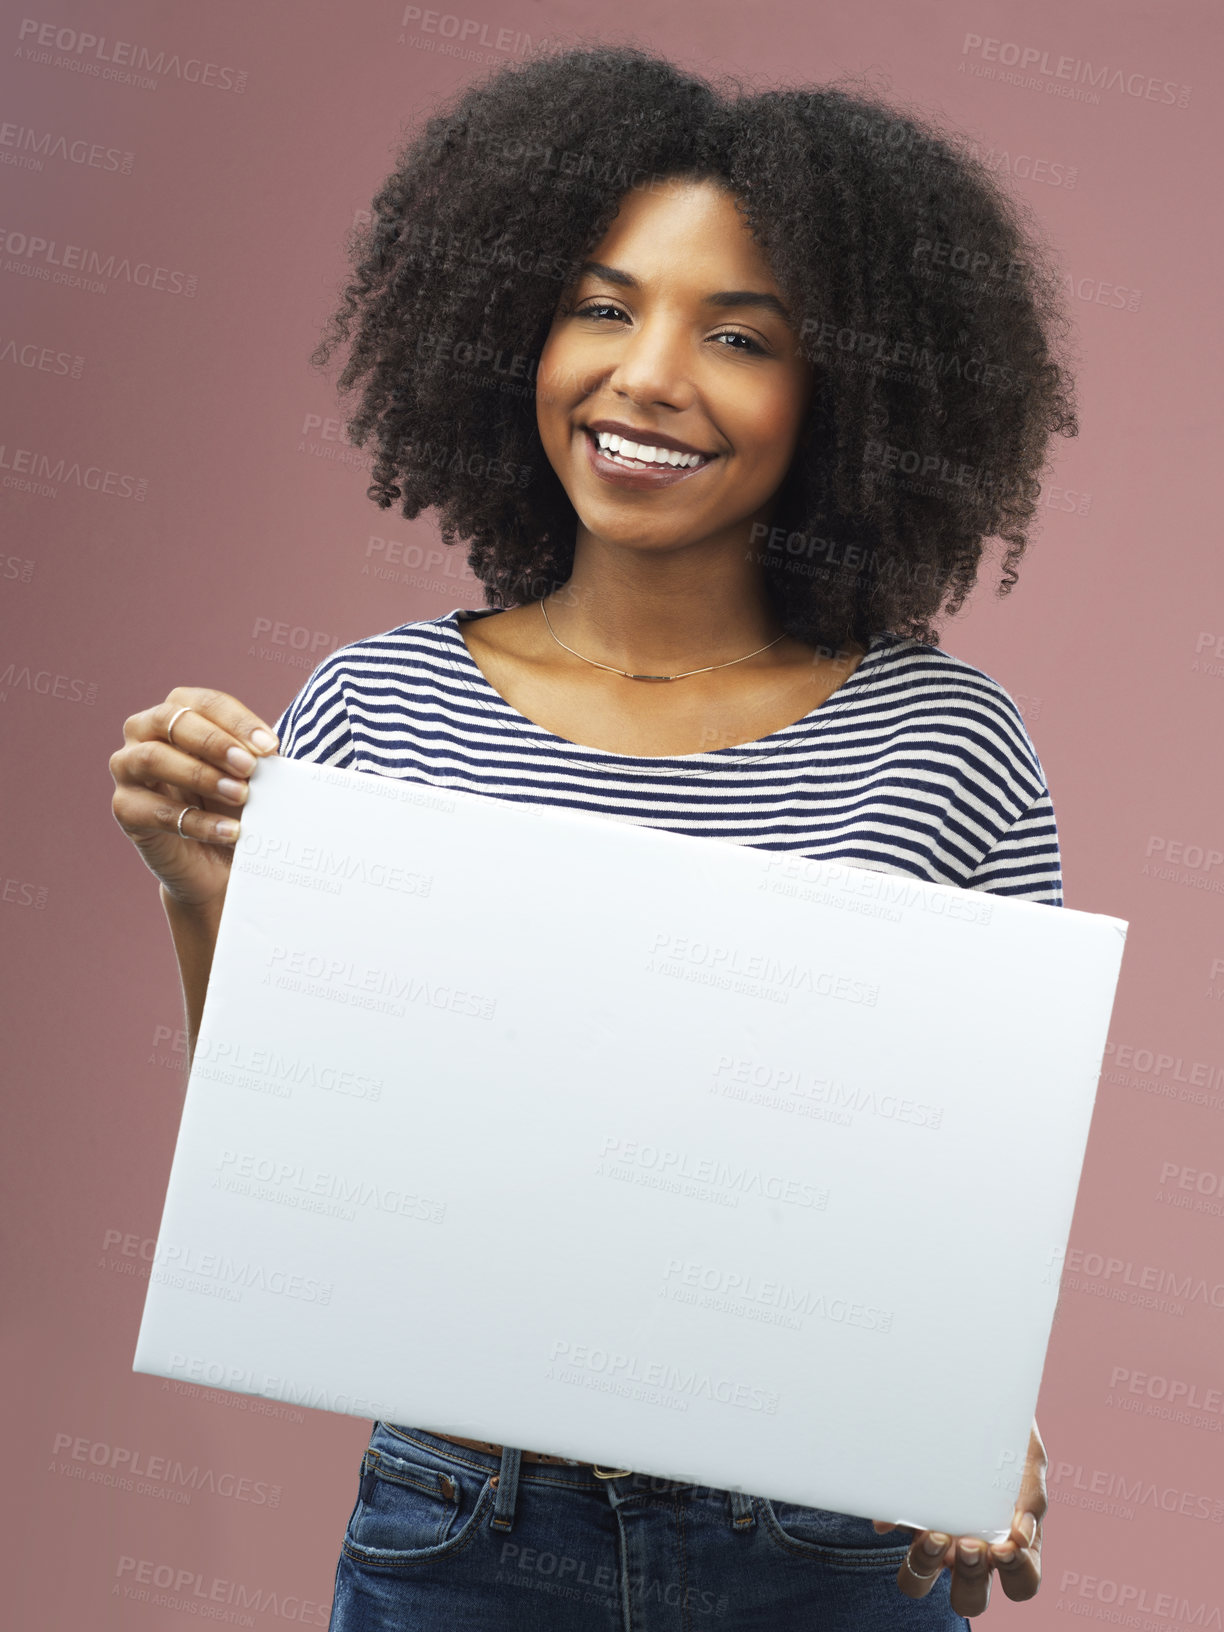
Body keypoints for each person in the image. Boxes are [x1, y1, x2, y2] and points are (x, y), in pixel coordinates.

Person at [110, 43, 1075, 1628]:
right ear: (516, 334)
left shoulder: (945, 743)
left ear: (849, 395)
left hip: (824, 1552)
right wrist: (201, 892)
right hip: (464, 1533)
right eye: (604, 306)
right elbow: (315, 1188)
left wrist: (980, 1433)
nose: (649, 375)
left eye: (742, 335)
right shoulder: (381, 707)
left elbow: (973, 1219)